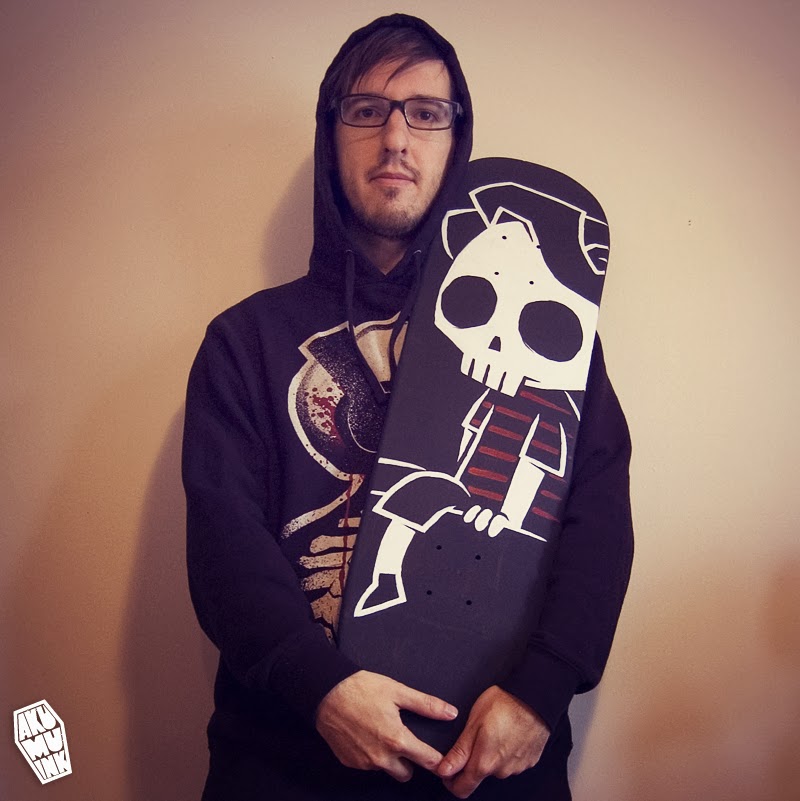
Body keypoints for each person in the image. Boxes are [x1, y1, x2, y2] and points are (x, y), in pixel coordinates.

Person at [182, 13, 633, 801]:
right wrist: (319, 687)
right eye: (367, 110)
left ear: (457, 141)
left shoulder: (550, 345)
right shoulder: (245, 341)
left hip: (488, 763)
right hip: (286, 759)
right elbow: (224, 544)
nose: (395, 138)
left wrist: (541, 690)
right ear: (331, 134)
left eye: (425, 113)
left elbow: (597, 520)